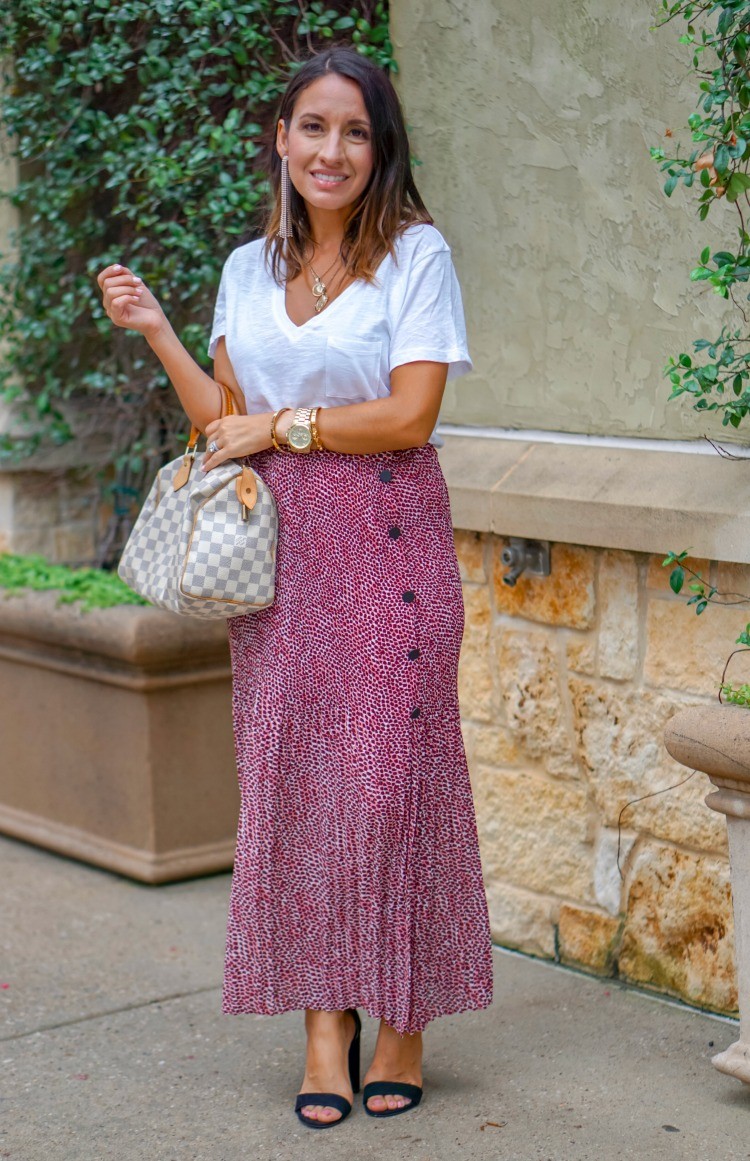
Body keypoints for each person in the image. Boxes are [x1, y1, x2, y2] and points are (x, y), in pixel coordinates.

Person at [97, 45, 493, 1130]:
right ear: (281, 139)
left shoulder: (415, 256)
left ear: (381, 148)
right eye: (314, 128)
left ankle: (403, 1014)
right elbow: (221, 417)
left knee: (389, 783)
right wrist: (159, 333)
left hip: (389, 542)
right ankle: (327, 1026)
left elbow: (411, 416)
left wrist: (285, 425)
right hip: (280, 561)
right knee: (296, 784)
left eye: (355, 131)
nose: (333, 150)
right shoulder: (246, 267)